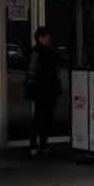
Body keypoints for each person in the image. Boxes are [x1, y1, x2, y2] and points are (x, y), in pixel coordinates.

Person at [26, 26, 62, 156]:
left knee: (42, 117)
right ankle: (39, 144)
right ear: (41, 37)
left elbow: (31, 70)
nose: (49, 39)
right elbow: (32, 69)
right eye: (47, 36)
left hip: (43, 88)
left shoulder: (42, 51)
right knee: (42, 117)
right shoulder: (43, 52)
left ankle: (38, 144)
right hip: (44, 88)